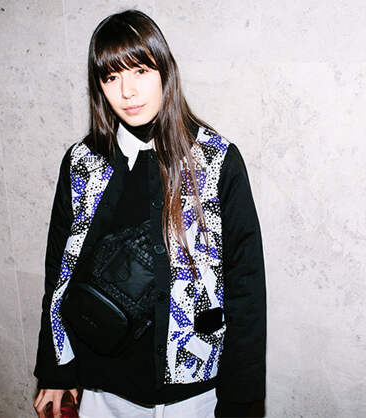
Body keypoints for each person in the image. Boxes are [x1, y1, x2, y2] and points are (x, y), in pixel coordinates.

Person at [32, 9, 266, 418]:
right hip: (104, 389)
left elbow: (245, 287)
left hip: (191, 392)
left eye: (140, 71)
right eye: (111, 77)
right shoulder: (83, 163)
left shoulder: (215, 161)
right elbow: (60, 270)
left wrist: (239, 399)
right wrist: (55, 367)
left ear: (164, 72)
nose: (127, 91)